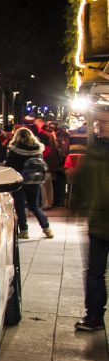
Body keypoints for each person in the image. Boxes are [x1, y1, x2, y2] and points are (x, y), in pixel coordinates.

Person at [70, 105, 109, 333]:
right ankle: (94, 316)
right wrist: (76, 208)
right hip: (98, 224)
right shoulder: (92, 153)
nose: (101, 126)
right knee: (95, 273)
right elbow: (81, 183)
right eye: (99, 122)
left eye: (105, 122)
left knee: (95, 272)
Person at [5, 126, 53, 239]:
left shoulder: (14, 149)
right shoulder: (37, 149)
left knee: (20, 206)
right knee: (34, 205)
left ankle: (24, 231)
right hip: (33, 181)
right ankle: (47, 229)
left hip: (19, 180)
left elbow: (10, 165)